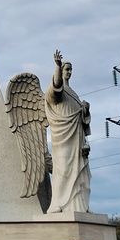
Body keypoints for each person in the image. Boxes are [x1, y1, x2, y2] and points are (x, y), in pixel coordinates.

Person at [45, 49, 92, 214]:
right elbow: (56, 87)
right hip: (63, 138)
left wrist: (84, 110)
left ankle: (79, 207)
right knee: (63, 169)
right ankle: (58, 204)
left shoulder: (74, 94)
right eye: (67, 69)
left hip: (77, 139)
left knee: (80, 174)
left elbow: (81, 121)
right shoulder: (56, 90)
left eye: (70, 69)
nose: (69, 72)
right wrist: (57, 67)